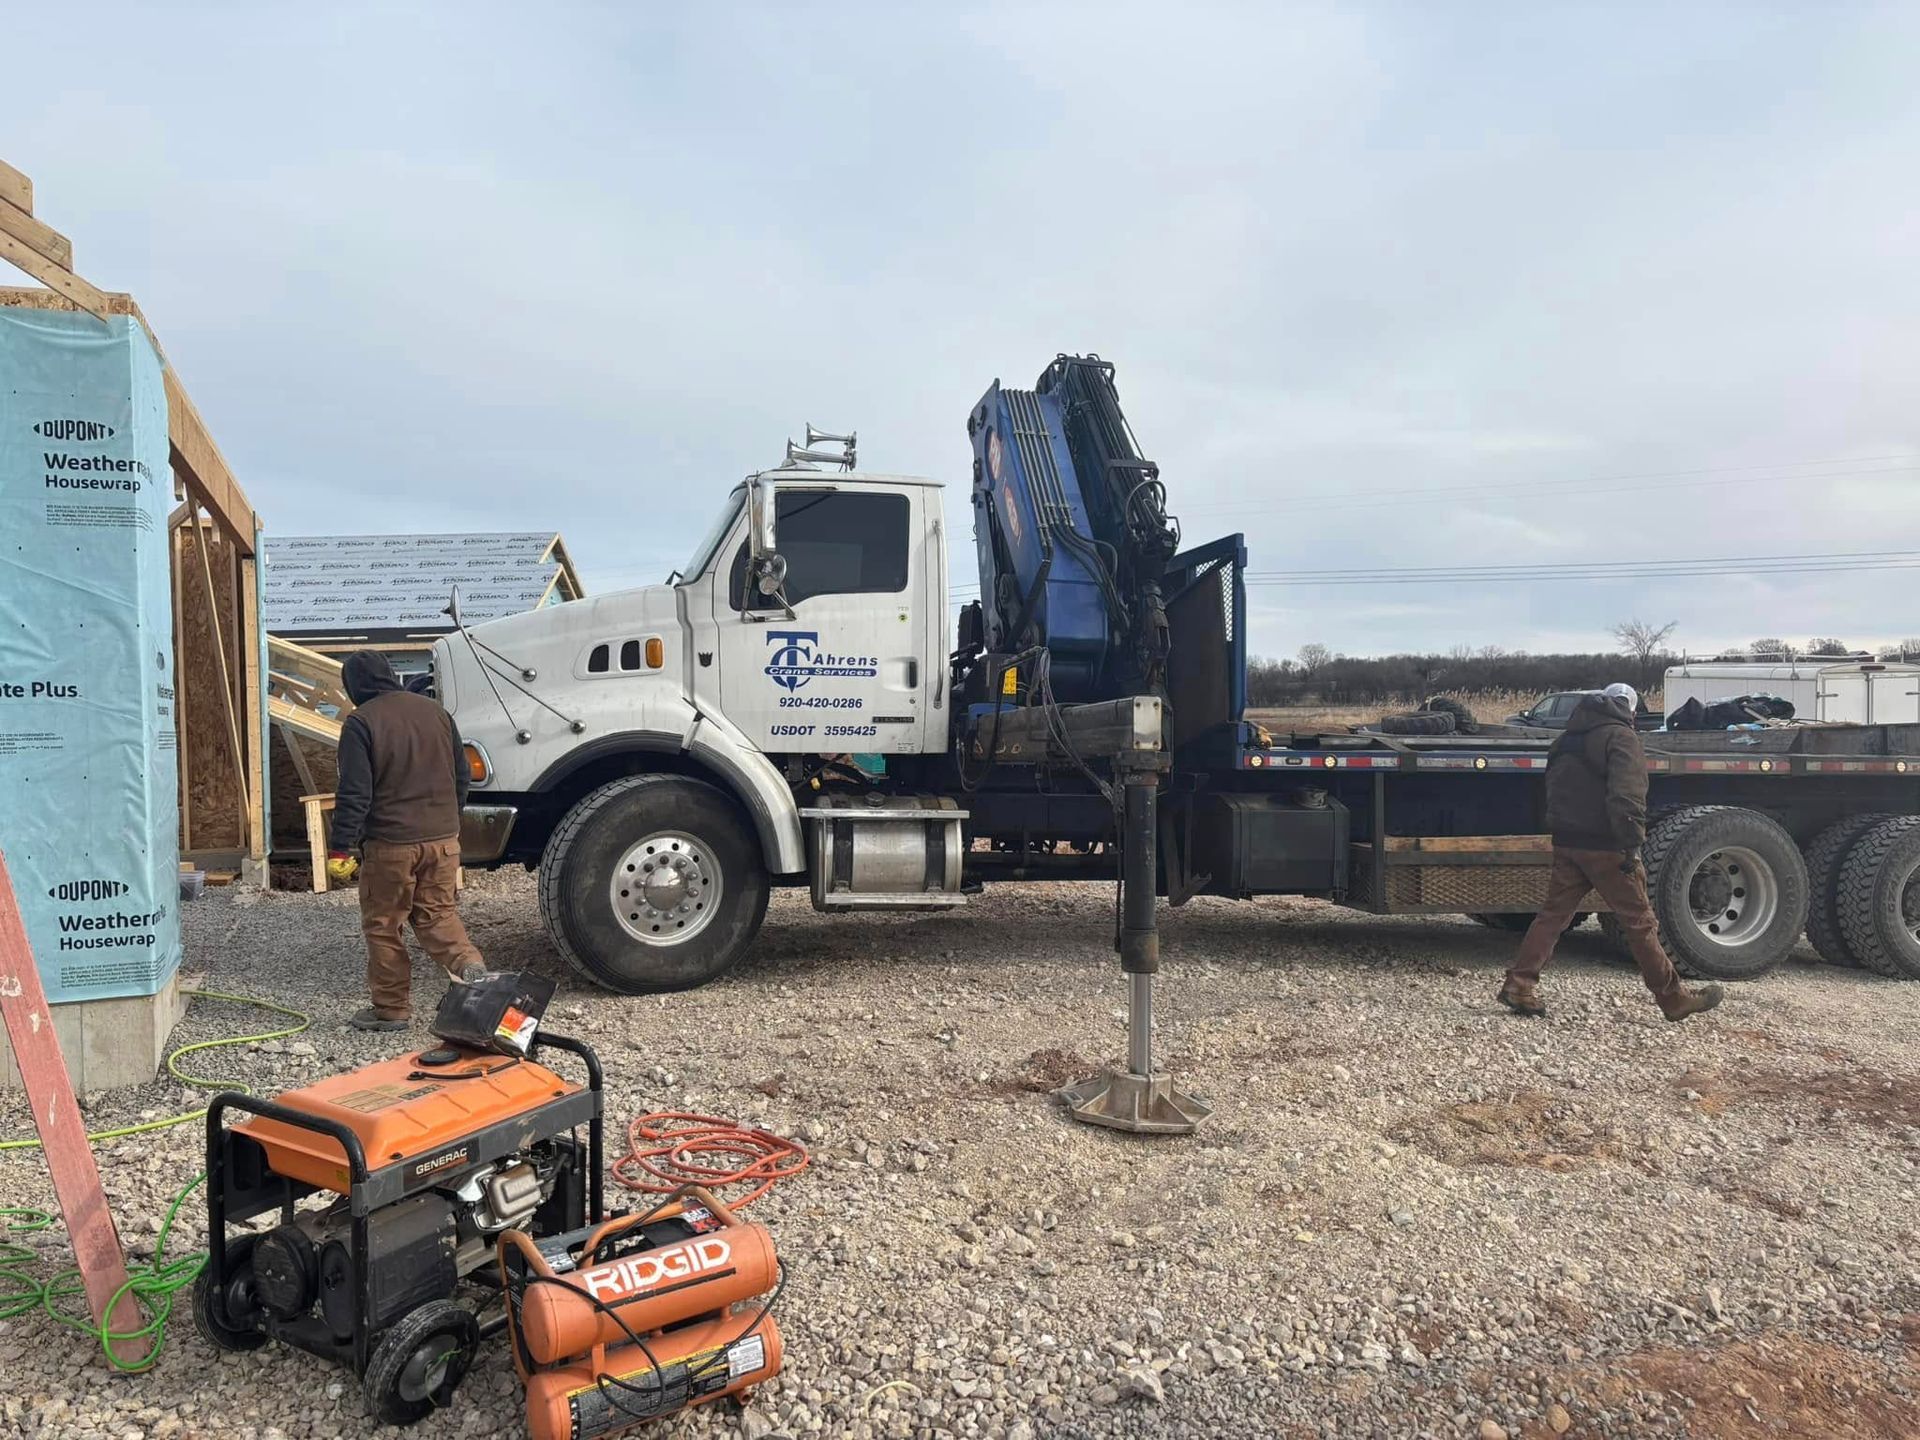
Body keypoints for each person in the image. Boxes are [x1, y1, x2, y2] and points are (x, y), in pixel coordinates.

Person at [1500, 682, 1723, 1022]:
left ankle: (1520, 983)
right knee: (1639, 922)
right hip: (1607, 846)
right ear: (1630, 710)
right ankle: (1673, 998)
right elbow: (1627, 796)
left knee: (1552, 918)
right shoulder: (1620, 738)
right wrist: (1631, 844)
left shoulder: (1565, 740)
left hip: (1568, 843)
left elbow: (1550, 791)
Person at [326, 651, 486, 1030]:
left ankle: (391, 1009)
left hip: (391, 845)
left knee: (385, 926)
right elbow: (462, 776)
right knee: (438, 915)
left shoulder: (361, 722)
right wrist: (449, 823)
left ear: (354, 685)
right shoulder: (436, 713)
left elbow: (354, 792)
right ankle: (469, 966)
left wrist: (339, 847)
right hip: (443, 840)